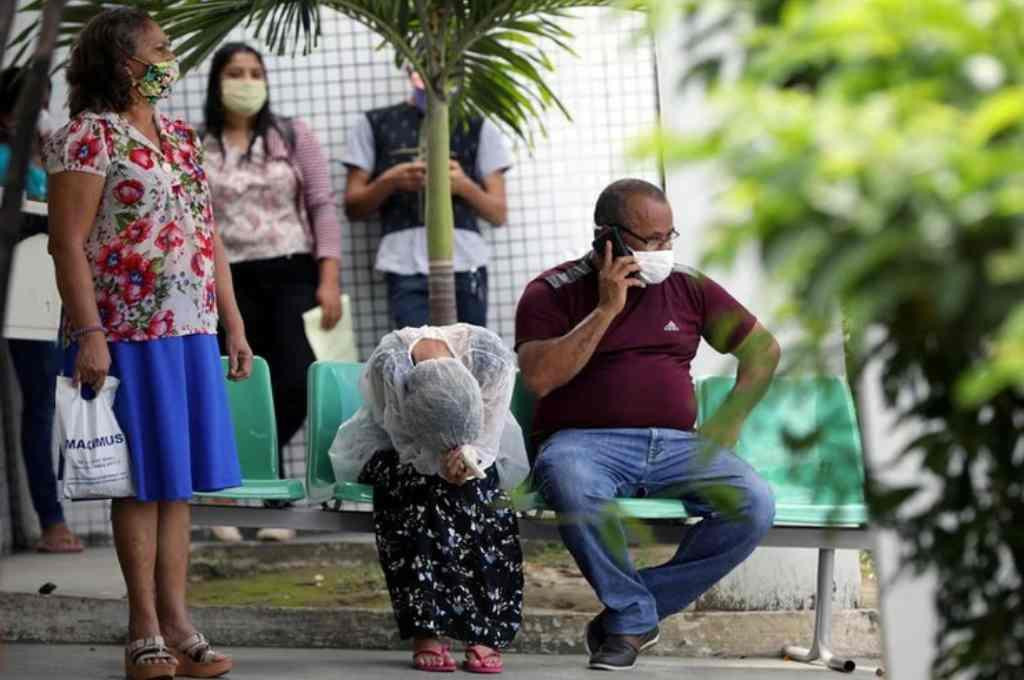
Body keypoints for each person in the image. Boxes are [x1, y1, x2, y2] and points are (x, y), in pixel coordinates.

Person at [44, 8, 251, 678]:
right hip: (124, 332)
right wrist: (90, 334)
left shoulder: (182, 137)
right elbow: (66, 243)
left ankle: (180, 623)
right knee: (138, 485)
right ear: (122, 61)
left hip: (189, 330)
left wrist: (233, 323)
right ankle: (144, 631)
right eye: (160, 50)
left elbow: (207, 235)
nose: (171, 60)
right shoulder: (85, 138)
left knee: (176, 485)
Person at [515, 179, 780, 671]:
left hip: (678, 445)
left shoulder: (689, 287)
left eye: (669, 237)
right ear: (607, 238)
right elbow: (539, 378)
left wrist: (728, 420)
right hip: (584, 445)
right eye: (651, 240)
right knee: (569, 480)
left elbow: (763, 351)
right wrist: (606, 308)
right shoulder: (550, 292)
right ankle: (633, 614)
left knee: (753, 502)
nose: (665, 250)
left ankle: (631, 614)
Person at [202, 42, 343, 543]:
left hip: (291, 273)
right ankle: (241, 494)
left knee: (295, 381)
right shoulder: (198, 145)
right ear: (217, 82)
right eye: (235, 72)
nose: (246, 81)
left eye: (255, 72)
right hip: (227, 281)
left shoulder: (291, 134)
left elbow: (323, 205)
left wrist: (329, 277)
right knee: (236, 384)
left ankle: (255, 480)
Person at [329, 324, 529, 673]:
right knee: (419, 488)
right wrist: (438, 464)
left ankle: (483, 628)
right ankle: (428, 628)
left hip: (481, 443)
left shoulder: (490, 358)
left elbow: (489, 435)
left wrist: (470, 461)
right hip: (392, 446)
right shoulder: (390, 364)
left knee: (481, 490)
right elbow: (404, 442)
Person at [342, 68, 511, 329]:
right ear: (409, 69)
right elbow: (352, 207)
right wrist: (390, 181)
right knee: (417, 359)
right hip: (403, 261)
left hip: (465, 261)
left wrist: (463, 185)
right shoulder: (374, 123)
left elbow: (498, 213)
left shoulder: (478, 125)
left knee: (469, 358)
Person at [0, 67, 84, 554]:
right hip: (27, 290)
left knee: (61, 400)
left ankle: (62, 507)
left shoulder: (50, 147)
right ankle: (51, 518)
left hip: (65, 289)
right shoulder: (7, 155)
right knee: (42, 402)